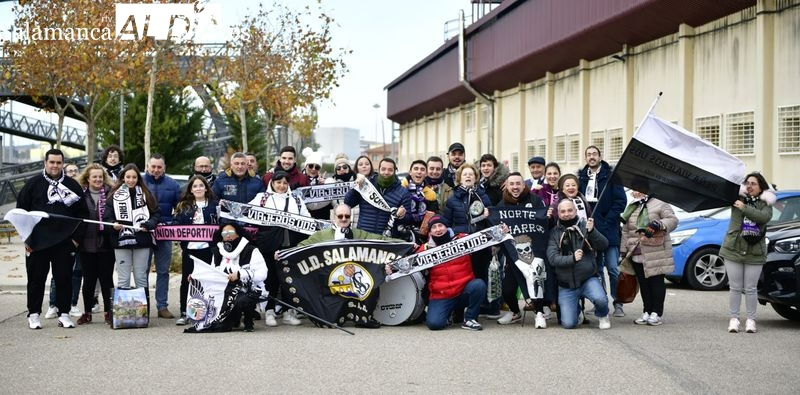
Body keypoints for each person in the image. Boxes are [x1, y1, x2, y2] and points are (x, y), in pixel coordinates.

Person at [17, 149, 89, 329]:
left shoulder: (72, 185)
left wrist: (76, 240)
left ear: (63, 163)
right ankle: (33, 314)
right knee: (36, 279)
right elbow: (21, 213)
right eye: (52, 162)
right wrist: (27, 240)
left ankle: (64, 314)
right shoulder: (32, 184)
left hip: (64, 242)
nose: (55, 166)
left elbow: (83, 215)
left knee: (64, 279)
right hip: (37, 242)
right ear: (45, 163)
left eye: (58, 162)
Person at [294, 203, 396, 328]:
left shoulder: (358, 234)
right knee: (329, 322)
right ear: (333, 218)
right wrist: (283, 254)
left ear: (351, 218)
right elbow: (300, 248)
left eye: (347, 216)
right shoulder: (321, 235)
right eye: (340, 216)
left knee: (372, 278)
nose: (343, 219)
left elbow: (381, 240)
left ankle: (363, 318)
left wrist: (406, 244)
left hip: (354, 280)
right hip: (329, 282)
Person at [250, 171, 310, 327]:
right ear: (272, 183)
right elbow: (248, 213)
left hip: (290, 244)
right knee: (271, 279)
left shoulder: (296, 200)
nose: (281, 186)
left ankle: (287, 312)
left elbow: (307, 219)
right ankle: (269, 311)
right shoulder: (262, 198)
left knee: (288, 278)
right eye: (278, 182)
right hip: (268, 244)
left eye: (284, 183)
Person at [719, 172, 775, 333]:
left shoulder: (766, 203)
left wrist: (744, 208)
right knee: (735, 287)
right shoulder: (737, 198)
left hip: (755, 251)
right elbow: (725, 190)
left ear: (761, 187)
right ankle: (734, 319)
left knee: (750, 288)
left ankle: (751, 320)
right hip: (733, 248)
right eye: (747, 183)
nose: (750, 186)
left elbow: (763, 217)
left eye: (754, 184)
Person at [443, 163, 498, 318]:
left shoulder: (483, 196)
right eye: (465, 174)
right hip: (461, 245)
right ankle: (458, 311)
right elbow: (447, 223)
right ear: (460, 178)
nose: (468, 176)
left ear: (476, 178)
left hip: (481, 245)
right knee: (461, 277)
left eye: (471, 174)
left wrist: (489, 214)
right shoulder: (453, 199)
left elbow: (492, 219)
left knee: (480, 276)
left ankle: (476, 309)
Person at [578, 146, 627, 317]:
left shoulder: (613, 176)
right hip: (590, 231)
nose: (591, 157)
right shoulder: (581, 177)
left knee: (613, 268)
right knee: (596, 269)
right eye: (588, 154)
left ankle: (618, 302)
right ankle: (600, 301)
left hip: (609, 229)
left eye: (594, 154)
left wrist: (607, 219)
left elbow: (621, 202)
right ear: (586, 158)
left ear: (600, 156)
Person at [547, 199, 611, 329]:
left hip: (587, 279)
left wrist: (593, 232)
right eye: (563, 211)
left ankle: (603, 314)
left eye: (570, 210)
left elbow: (604, 245)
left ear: (576, 211)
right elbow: (553, 258)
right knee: (568, 324)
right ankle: (577, 312)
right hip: (566, 285)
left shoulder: (585, 226)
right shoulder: (554, 233)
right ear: (558, 213)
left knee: (601, 300)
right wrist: (572, 259)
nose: (566, 214)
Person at [495, 172, 548, 328]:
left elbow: (544, 223)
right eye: (512, 184)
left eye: (518, 184)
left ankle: (539, 313)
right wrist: (499, 227)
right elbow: (496, 227)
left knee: (535, 282)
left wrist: (548, 216)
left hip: (534, 252)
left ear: (524, 185)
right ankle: (514, 312)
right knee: (508, 289)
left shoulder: (536, 200)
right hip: (513, 255)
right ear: (507, 186)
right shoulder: (501, 204)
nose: (515, 187)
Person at [619, 191, 678, 326]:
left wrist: (659, 224)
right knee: (643, 284)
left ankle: (656, 313)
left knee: (656, 282)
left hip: (655, 251)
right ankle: (647, 311)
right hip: (636, 251)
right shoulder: (632, 206)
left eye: (640, 188)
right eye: (634, 189)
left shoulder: (660, 202)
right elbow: (626, 231)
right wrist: (623, 250)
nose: (636, 191)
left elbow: (673, 220)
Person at [104, 164, 160, 303]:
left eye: (134, 177)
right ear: (123, 178)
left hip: (142, 240)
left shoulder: (146, 194)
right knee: (123, 278)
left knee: (141, 277)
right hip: (121, 241)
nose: (131, 180)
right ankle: (123, 315)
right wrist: (113, 225)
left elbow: (156, 214)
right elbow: (107, 217)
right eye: (128, 177)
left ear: (138, 178)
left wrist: (149, 224)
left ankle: (142, 313)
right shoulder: (113, 195)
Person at [421, 215, 487, 331]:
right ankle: (449, 314)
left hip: (464, 290)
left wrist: (501, 231)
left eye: (441, 225)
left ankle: (470, 318)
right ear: (430, 232)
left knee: (479, 285)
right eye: (434, 227)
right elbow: (408, 264)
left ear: (447, 227)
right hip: (441, 294)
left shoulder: (462, 239)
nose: (438, 229)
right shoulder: (425, 249)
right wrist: (391, 268)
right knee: (434, 324)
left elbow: (485, 238)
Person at [173, 175, 219, 325]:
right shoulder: (183, 206)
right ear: (191, 190)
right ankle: (185, 312)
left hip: (208, 249)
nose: (198, 188)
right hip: (190, 249)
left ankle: (208, 311)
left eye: (201, 185)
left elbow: (221, 222)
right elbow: (176, 224)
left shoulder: (214, 204)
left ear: (206, 188)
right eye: (195, 186)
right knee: (187, 280)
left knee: (207, 280)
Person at [74, 164, 116, 325]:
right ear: (87, 178)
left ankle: (108, 312)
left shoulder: (110, 194)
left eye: (100, 176)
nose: (98, 179)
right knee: (89, 280)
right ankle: (87, 312)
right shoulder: (80, 195)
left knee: (107, 279)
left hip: (106, 243)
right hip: (86, 243)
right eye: (94, 177)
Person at [207, 223, 268, 332]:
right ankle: (234, 319)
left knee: (240, 300)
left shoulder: (251, 250)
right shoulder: (217, 252)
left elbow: (263, 273)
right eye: (224, 233)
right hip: (224, 290)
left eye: (231, 233)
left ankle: (248, 320)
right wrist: (195, 277)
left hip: (248, 289)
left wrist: (241, 274)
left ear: (238, 234)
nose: (228, 236)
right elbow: (212, 273)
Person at [143, 153, 182, 319]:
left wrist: (173, 223)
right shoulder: (139, 182)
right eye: (153, 166)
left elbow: (180, 208)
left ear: (164, 167)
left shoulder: (172, 184)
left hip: (164, 233)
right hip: (144, 233)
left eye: (159, 167)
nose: (156, 170)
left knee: (163, 271)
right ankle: (142, 305)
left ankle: (162, 306)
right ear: (147, 166)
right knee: (141, 272)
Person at [45, 162, 84, 319]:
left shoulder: (79, 190)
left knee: (76, 273)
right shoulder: (55, 189)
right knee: (58, 275)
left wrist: (77, 238)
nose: (73, 173)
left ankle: (72, 304)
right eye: (69, 171)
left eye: (75, 171)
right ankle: (53, 304)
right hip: (59, 238)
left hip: (76, 237)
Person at [344, 158, 412, 237]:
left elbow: (408, 219)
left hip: (386, 240)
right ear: (378, 170)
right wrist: (356, 187)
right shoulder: (366, 185)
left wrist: (402, 215)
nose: (386, 172)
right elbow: (348, 203)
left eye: (390, 170)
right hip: (364, 236)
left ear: (395, 171)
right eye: (383, 169)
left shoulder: (403, 192)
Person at [400, 159, 438, 237]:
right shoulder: (401, 189)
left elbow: (433, 215)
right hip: (400, 232)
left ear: (426, 174)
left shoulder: (431, 194)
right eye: (416, 169)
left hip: (421, 234)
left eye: (422, 169)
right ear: (410, 172)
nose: (419, 172)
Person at [302, 149, 332, 220]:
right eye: (311, 166)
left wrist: (325, 185)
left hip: (322, 219)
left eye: (317, 167)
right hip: (303, 220)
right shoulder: (299, 179)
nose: (313, 169)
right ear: (305, 166)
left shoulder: (324, 181)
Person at [437, 142, 466, 211]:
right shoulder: (441, 175)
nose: (457, 157)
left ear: (464, 156)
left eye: (460, 154)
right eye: (453, 154)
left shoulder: (471, 174)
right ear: (448, 156)